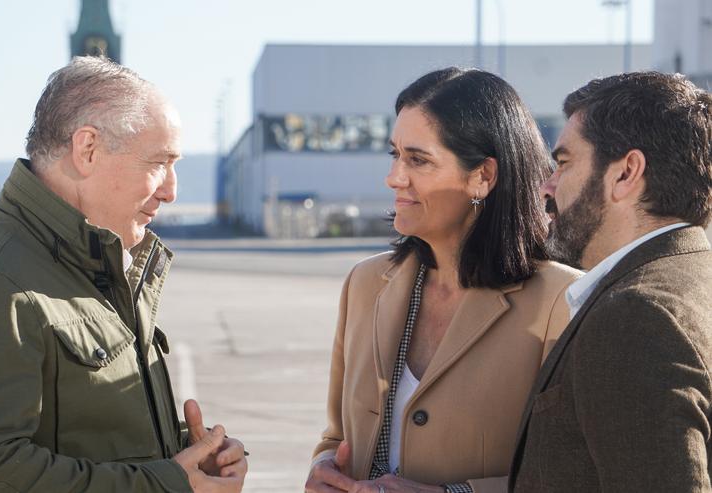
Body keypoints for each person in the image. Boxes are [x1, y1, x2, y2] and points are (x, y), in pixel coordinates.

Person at [0, 57, 247, 492]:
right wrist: (167, 483)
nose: (172, 190)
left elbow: (88, 431)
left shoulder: (96, 257)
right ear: (88, 150)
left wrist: (187, 456)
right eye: (160, 162)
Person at [305, 68, 581, 493]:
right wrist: (325, 468)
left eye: (418, 160)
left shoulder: (561, 301)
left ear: (483, 176)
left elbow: (575, 472)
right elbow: (337, 436)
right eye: (394, 154)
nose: (394, 177)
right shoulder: (365, 284)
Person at [508, 72, 712, 492]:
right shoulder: (692, 278)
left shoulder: (637, 316)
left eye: (563, 163)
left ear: (625, 174)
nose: (547, 186)